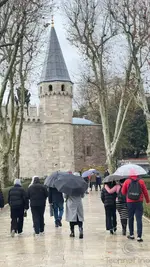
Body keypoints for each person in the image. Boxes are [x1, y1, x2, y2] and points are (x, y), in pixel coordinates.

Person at [122, 171, 150, 242]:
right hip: (139, 202)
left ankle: (131, 235)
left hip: (130, 202)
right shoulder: (141, 181)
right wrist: (147, 200)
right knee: (139, 219)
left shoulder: (127, 181)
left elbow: (123, 192)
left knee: (130, 218)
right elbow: (145, 192)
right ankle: (139, 237)